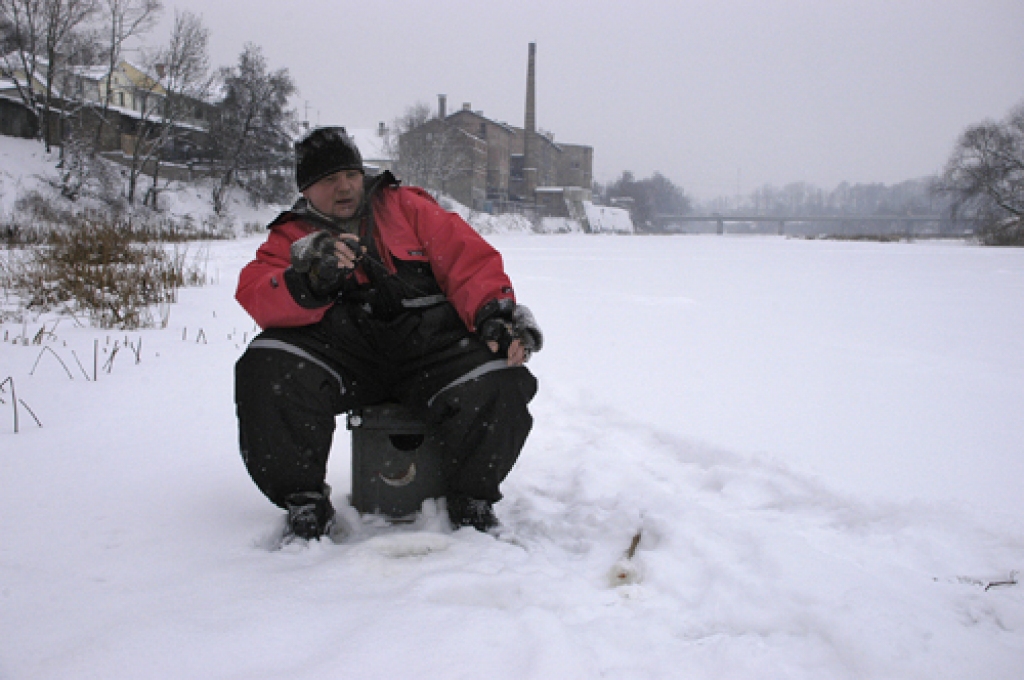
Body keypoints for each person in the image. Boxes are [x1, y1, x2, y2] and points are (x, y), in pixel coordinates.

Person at [234, 126, 542, 540]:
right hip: (346, 358)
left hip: (430, 352)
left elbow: (467, 261)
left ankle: (472, 499)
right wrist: (307, 279)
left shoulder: (407, 207)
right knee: (267, 361)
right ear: (306, 190)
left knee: (501, 376)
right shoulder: (290, 237)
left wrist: (496, 315)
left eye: (351, 175)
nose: (344, 187)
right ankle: (303, 502)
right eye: (329, 180)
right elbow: (257, 294)